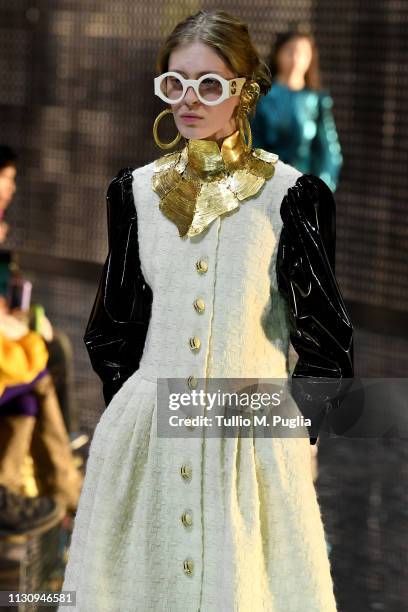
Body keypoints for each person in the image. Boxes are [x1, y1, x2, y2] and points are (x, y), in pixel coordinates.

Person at [59, 10, 353, 611]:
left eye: (209, 84)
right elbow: (115, 327)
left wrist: (288, 438)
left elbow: (326, 341)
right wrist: (130, 423)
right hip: (145, 447)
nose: (189, 100)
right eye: (175, 83)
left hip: (249, 447)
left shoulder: (291, 198)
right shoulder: (135, 192)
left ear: (244, 91)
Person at [250, 28, 343, 193]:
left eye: (303, 54)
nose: (296, 59)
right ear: (278, 53)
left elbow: (329, 152)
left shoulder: (316, 100)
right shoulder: (260, 97)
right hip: (266, 188)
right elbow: (251, 144)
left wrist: (320, 189)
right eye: (290, 52)